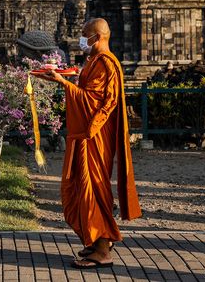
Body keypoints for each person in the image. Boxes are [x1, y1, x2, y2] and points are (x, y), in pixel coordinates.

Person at [35, 18, 142, 269]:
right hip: (85, 133)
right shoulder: (93, 61)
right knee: (80, 188)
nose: (82, 40)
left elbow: (94, 103)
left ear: (98, 37)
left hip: (93, 135)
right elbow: (87, 94)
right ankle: (95, 242)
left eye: (85, 35)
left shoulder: (106, 63)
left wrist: (62, 82)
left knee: (92, 189)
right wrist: (64, 79)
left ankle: (104, 250)